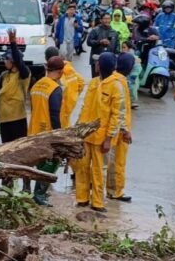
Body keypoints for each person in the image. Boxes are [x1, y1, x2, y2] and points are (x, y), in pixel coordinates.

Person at [74, 53, 121, 212]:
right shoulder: (93, 83)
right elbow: (84, 107)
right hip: (86, 134)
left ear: (100, 66)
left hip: (102, 139)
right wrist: (77, 130)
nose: (95, 65)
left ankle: (97, 202)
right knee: (82, 167)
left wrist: (109, 138)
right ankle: (82, 198)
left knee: (99, 171)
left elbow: (117, 115)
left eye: (97, 63)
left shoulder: (115, 86)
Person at [0, 28, 33, 191]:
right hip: (4, 119)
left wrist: (13, 43)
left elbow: (20, 62)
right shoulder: (4, 75)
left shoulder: (23, 75)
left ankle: (26, 182)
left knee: (22, 151)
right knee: (6, 150)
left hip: (17, 119)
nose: (4, 61)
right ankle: (7, 181)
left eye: (7, 59)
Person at [29, 55, 66, 205]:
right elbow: (54, 115)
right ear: (60, 71)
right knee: (51, 163)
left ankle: (35, 192)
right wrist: (60, 136)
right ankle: (39, 194)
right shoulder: (55, 89)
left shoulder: (37, 85)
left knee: (39, 163)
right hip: (47, 133)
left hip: (33, 130)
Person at [106, 52, 134, 202]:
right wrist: (125, 130)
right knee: (118, 161)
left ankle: (111, 189)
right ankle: (116, 191)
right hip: (118, 130)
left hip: (111, 127)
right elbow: (120, 109)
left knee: (109, 161)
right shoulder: (121, 83)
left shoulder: (112, 79)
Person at [46, 46, 85, 127]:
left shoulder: (56, 73)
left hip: (61, 108)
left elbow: (58, 89)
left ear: (47, 59)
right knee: (66, 124)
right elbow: (81, 82)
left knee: (60, 128)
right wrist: (74, 95)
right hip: (69, 104)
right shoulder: (69, 68)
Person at [122, 40, 142, 108]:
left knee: (132, 89)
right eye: (122, 47)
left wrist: (133, 76)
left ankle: (133, 102)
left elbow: (138, 68)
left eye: (124, 47)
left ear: (129, 48)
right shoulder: (122, 56)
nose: (123, 49)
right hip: (124, 76)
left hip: (132, 77)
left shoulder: (135, 58)